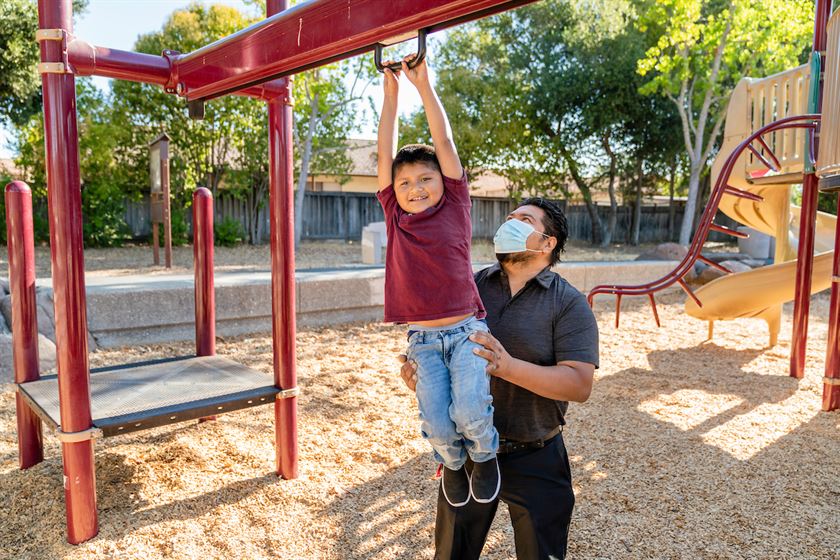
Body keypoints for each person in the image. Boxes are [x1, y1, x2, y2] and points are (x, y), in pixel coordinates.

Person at [400, 198, 599, 560]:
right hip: (469, 455)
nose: (510, 224)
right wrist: (422, 376)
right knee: (451, 554)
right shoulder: (467, 286)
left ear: (547, 242)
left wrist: (507, 366)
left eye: (524, 219)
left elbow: (578, 384)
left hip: (536, 453)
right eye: (510, 218)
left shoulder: (569, 304)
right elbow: (434, 343)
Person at [376, 55, 500, 508]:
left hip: (467, 330)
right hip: (423, 340)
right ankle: (451, 463)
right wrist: (390, 96)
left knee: (469, 411)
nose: (415, 187)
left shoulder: (454, 204)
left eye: (425, 178)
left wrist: (422, 87)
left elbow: (442, 140)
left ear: (444, 183)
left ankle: (485, 456)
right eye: (405, 182)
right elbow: (384, 152)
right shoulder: (394, 214)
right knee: (439, 422)